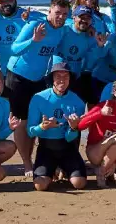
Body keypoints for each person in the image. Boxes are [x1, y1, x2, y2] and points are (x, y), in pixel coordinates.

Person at [6, 0, 70, 177]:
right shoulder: (35, 25)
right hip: (18, 76)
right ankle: (26, 163)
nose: (61, 17)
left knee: (35, 121)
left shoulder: (62, 31)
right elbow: (14, 49)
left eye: (64, 14)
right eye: (57, 13)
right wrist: (33, 40)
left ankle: (33, 158)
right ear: (49, 11)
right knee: (21, 122)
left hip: (39, 79)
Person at [26, 62, 87, 191]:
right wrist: (42, 127)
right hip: (46, 148)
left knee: (79, 184)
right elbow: (30, 132)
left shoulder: (78, 102)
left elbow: (71, 138)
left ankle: (63, 169)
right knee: (40, 186)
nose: (62, 80)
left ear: (70, 79)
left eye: (65, 76)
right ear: (52, 78)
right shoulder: (39, 98)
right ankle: (52, 169)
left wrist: (73, 128)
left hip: (67, 148)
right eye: (58, 76)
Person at [53, 5, 106, 106]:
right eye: (81, 17)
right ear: (73, 17)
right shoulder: (64, 29)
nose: (84, 20)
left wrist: (100, 46)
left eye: (88, 18)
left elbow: (89, 63)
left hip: (76, 77)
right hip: (57, 75)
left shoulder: (91, 37)